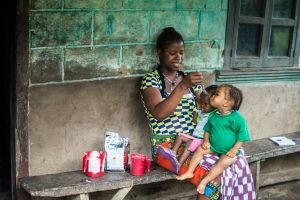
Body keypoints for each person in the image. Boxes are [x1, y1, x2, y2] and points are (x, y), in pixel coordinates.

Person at [140, 27, 204, 163]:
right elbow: (159, 113)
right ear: (159, 53)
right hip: (166, 147)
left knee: (231, 161)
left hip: (192, 143)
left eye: (181, 52)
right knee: (209, 169)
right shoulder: (151, 80)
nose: (178, 57)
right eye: (172, 53)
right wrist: (183, 86)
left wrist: (212, 97)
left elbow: (207, 108)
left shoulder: (189, 80)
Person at [176, 84, 251, 195]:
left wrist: (235, 149)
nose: (212, 96)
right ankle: (189, 172)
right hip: (214, 146)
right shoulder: (213, 115)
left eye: (216, 94)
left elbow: (242, 136)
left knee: (223, 163)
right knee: (200, 150)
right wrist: (206, 141)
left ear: (227, 103)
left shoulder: (237, 118)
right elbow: (207, 130)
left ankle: (204, 181)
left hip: (228, 151)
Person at [157, 85, 217, 173]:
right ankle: (173, 152)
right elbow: (195, 120)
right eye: (201, 103)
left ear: (214, 104)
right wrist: (197, 109)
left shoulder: (214, 116)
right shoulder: (203, 112)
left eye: (205, 104)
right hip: (195, 137)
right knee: (180, 136)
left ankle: (179, 164)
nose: (203, 106)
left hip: (202, 140)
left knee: (189, 144)